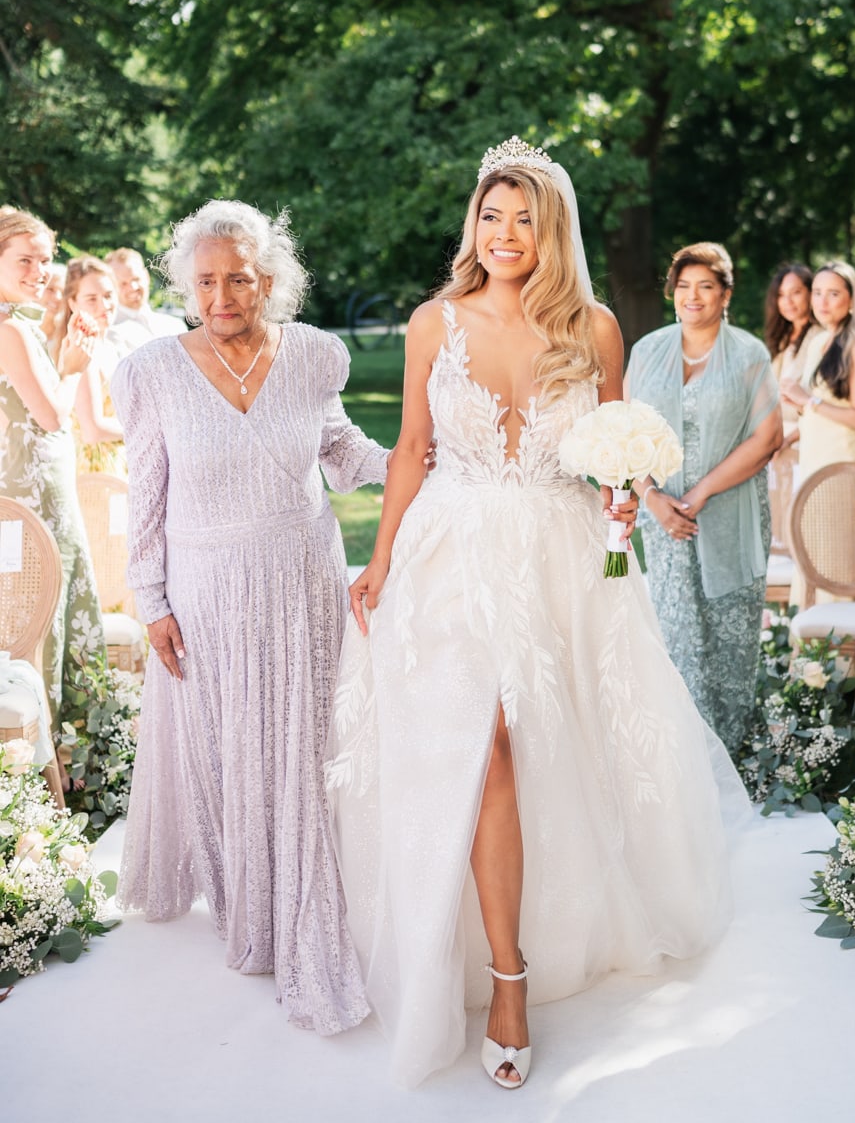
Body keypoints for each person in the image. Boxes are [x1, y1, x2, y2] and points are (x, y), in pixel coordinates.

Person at [326, 141, 749, 1091]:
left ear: (552, 229)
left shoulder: (594, 328)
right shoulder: (433, 322)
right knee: (487, 742)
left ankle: (533, 948)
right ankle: (503, 973)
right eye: (491, 215)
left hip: (560, 556)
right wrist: (380, 557)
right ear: (473, 224)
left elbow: (611, 452)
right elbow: (411, 448)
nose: (505, 233)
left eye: (524, 217)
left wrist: (625, 496)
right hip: (451, 552)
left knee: (542, 738)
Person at [111, 200, 389, 1035]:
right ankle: (248, 905)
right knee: (224, 746)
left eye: (238, 278)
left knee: (301, 744)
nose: (222, 296)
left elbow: (342, 452)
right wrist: (151, 600)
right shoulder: (154, 371)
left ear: (268, 279)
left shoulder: (313, 355)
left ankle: (304, 899)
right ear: (187, 285)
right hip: (207, 589)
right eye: (206, 281)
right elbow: (145, 496)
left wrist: (418, 458)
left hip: (301, 576)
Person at [627, 243, 782, 756]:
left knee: (727, 638)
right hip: (663, 520)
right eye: (684, 286)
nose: (692, 296)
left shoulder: (749, 355)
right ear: (672, 291)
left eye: (706, 286)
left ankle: (729, 754)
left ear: (726, 294)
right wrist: (651, 497)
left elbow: (767, 437)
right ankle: (681, 756)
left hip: (729, 517)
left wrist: (699, 493)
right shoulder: (647, 351)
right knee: (675, 633)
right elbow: (625, 432)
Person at [0, 210, 105, 726]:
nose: (40, 271)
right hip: (36, 501)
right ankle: (60, 741)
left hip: (38, 494)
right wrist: (74, 369)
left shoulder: (18, 326)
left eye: (45, 260)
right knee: (44, 612)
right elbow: (52, 417)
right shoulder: (9, 331)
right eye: (25, 260)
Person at [780, 261, 855, 481]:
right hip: (812, 464)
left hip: (844, 465)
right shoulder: (817, 343)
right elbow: (820, 413)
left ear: (852, 299)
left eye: (833, 294)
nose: (822, 302)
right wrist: (788, 436)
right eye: (817, 293)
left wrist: (807, 401)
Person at [762, 262, 823, 550]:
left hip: (805, 438)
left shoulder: (820, 338)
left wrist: (786, 439)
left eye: (796, 292)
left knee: (800, 522)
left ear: (810, 293)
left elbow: (821, 399)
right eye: (782, 295)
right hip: (777, 440)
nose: (788, 301)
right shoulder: (783, 340)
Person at [55, 257, 127, 476]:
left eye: (108, 295)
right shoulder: (81, 348)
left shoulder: (109, 345)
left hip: (117, 463)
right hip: (94, 471)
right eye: (91, 299)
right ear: (73, 303)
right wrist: (147, 428)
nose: (104, 305)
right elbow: (92, 430)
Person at [105, 247, 184, 349]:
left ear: (146, 276)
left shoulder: (175, 325)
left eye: (136, 279)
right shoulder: (109, 334)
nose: (133, 287)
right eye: (123, 284)